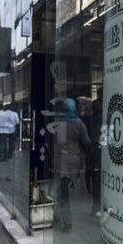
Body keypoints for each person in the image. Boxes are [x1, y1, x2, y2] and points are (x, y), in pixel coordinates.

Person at [53, 98, 91, 231]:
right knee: (66, 190)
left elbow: (59, 142)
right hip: (75, 160)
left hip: (62, 160)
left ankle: (66, 220)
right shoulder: (80, 124)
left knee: (63, 192)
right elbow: (86, 142)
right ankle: (63, 217)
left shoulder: (61, 124)